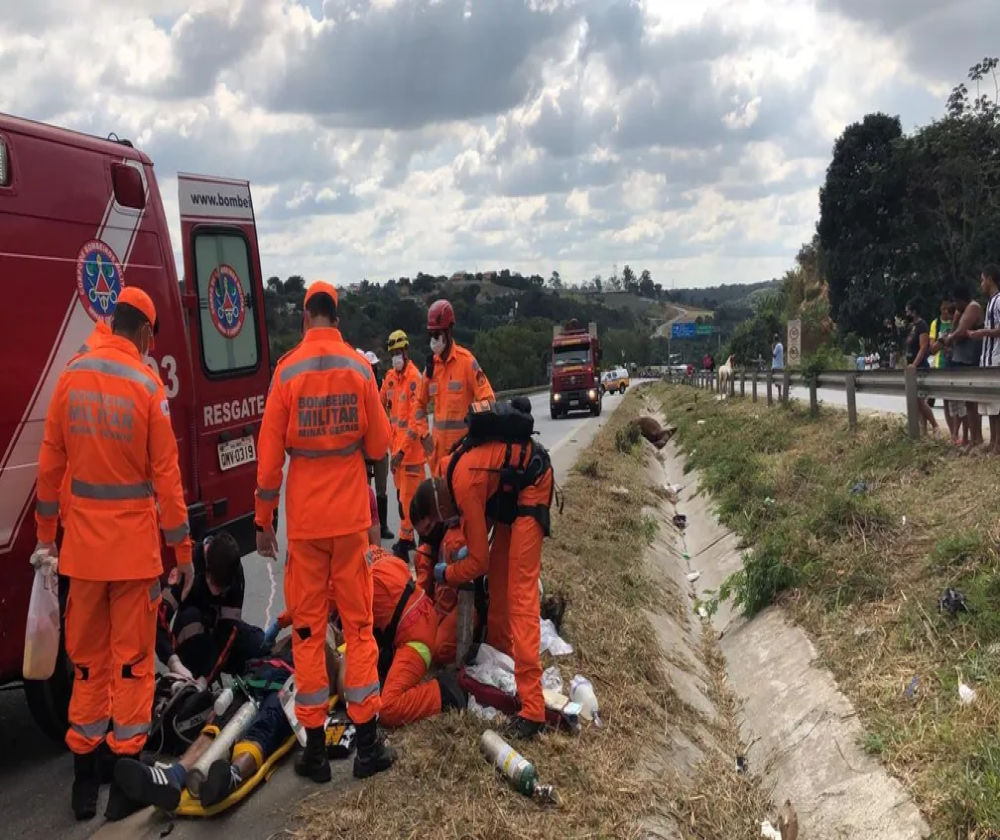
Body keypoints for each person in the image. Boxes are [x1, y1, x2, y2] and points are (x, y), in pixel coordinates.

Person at [34, 287, 194, 822]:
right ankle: (125, 780)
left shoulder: (71, 377)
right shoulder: (148, 387)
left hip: (81, 554)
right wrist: (183, 549)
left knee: (85, 666)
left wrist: (44, 536)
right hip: (133, 557)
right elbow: (167, 480)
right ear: (146, 333)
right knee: (130, 666)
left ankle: (84, 783)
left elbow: (50, 467)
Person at [254, 280, 393, 783]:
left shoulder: (286, 371)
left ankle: (314, 752)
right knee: (357, 628)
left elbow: (269, 460)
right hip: (351, 522)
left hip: (307, 525)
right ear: (336, 317)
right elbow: (378, 444)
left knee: (310, 632)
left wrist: (263, 520)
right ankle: (368, 746)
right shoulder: (359, 368)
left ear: (305, 318)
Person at [410, 401, 555, 740]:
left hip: (533, 485)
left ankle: (532, 708)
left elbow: (479, 563)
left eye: (439, 521)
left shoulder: (460, 483)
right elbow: (486, 506)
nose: (446, 524)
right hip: (512, 493)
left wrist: (449, 572)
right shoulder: (451, 466)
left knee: (519, 595)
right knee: (501, 586)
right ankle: (505, 654)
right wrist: (464, 553)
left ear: (438, 507)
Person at [114, 635, 345, 812]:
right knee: (217, 722)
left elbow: (339, 684)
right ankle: (174, 776)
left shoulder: (330, 646)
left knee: (265, 726)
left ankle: (231, 776)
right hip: (256, 677)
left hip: (292, 685)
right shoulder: (291, 635)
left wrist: (329, 652)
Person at [276, 543, 466, 727]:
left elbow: (308, 609)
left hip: (416, 639)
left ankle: (443, 692)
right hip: (421, 615)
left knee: (388, 709)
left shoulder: (342, 580)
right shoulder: (370, 551)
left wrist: (279, 623)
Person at [156, 531, 264, 684]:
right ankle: (188, 675)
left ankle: (238, 682)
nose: (216, 592)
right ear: (206, 568)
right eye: (213, 584)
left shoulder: (235, 574)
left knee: (258, 644)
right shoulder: (188, 564)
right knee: (191, 619)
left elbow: (229, 630)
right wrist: (173, 662)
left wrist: (206, 678)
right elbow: (158, 621)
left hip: (218, 628)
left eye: (222, 589)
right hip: (191, 630)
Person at [413, 300, 495, 474]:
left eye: (437, 334)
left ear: (449, 331)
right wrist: (423, 434)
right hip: (437, 455)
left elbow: (488, 399)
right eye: (431, 335)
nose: (433, 340)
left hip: (462, 452)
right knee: (440, 500)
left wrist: (475, 427)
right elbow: (418, 405)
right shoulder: (430, 368)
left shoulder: (466, 362)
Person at [380, 329, 425, 560]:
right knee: (402, 500)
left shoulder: (414, 379)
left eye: (398, 352)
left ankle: (406, 542)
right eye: (392, 354)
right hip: (396, 451)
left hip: (410, 454)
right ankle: (410, 542)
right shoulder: (391, 378)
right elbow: (380, 406)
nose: (395, 357)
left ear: (406, 351)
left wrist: (401, 451)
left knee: (408, 501)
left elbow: (415, 422)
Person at [944, 285, 984, 448]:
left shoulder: (973, 307)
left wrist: (949, 338)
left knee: (973, 402)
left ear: (961, 300)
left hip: (971, 359)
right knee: (968, 402)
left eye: (956, 302)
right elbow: (956, 330)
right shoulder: (962, 311)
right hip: (962, 359)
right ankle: (973, 439)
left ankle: (977, 438)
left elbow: (960, 332)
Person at [362, 349, 394, 540]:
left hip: (380, 446)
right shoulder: (360, 386)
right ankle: (366, 525)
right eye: (371, 368)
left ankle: (383, 525)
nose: (374, 371)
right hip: (364, 448)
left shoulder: (381, 387)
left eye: (375, 368)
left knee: (381, 488)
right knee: (365, 490)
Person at [969, 265, 1000, 455]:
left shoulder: (998, 301)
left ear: (990, 279)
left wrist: (984, 332)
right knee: (989, 404)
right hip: (987, 358)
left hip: (996, 357)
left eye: (982, 279)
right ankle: (993, 441)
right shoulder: (989, 302)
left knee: (997, 405)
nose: (981, 284)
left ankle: (998, 444)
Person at [904, 298, 939, 435]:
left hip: (919, 367)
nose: (906, 314)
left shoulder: (922, 325)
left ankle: (935, 426)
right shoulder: (912, 327)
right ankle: (923, 431)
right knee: (916, 401)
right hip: (911, 368)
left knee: (919, 400)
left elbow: (923, 347)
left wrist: (914, 365)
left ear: (914, 311)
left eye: (908, 311)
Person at [930, 299, 957, 440]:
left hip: (956, 363)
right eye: (943, 309)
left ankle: (959, 433)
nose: (946, 312)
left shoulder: (955, 320)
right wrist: (941, 341)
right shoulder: (936, 324)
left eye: (948, 309)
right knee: (947, 401)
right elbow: (932, 348)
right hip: (941, 364)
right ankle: (953, 434)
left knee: (958, 401)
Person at [771, 333, 784, 400]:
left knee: (776, 381)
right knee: (778, 381)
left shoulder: (777, 346)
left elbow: (774, 355)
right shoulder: (781, 345)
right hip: (779, 365)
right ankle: (780, 395)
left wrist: (772, 347)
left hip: (776, 366)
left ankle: (780, 395)